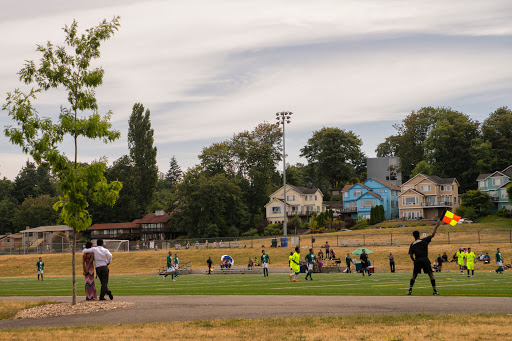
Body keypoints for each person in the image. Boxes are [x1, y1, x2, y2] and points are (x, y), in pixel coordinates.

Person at [407, 220, 441, 296]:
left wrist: (414, 260)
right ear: (419, 235)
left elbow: (411, 255)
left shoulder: (412, 244)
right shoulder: (424, 241)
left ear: (413, 236)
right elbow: (432, 235)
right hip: (425, 259)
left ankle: (410, 290)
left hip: (418, 260)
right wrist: (436, 226)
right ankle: (434, 290)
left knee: (414, 275)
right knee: (430, 274)